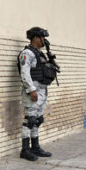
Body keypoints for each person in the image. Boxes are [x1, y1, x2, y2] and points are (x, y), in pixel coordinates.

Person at [17, 27, 58, 161]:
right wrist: (32, 90)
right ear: (35, 38)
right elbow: (25, 73)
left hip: (42, 90)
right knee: (30, 120)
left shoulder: (40, 53)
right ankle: (25, 149)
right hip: (33, 91)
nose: (44, 40)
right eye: (42, 38)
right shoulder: (27, 53)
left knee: (38, 120)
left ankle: (35, 147)